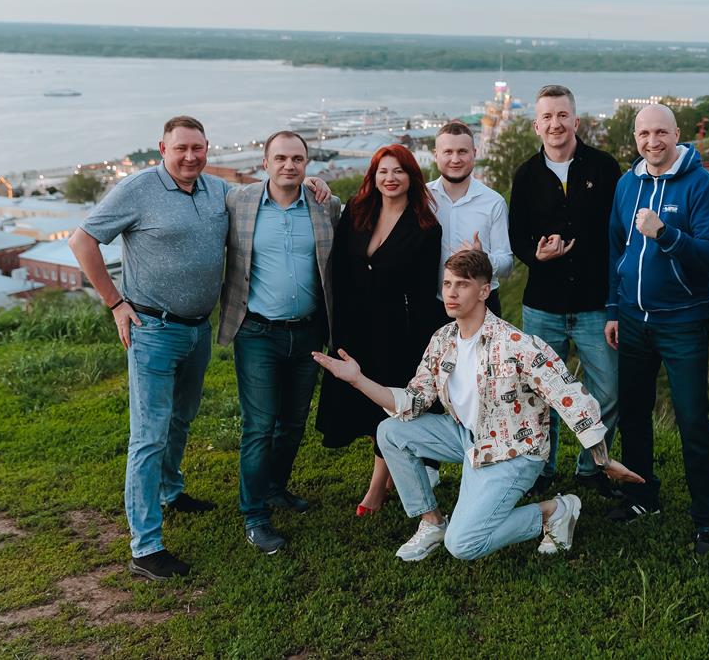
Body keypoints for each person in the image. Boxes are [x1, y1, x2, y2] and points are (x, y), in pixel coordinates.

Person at [312, 250, 643, 561]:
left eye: (462, 285)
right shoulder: (442, 340)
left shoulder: (516, 344)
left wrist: (601, 458)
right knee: (390, 431)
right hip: (468, 436)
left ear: (484, 291)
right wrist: (358, 379)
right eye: (447, 284)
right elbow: (413, 401)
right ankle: (432, 522)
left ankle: (555, 511)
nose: (452, 293)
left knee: (463, 544)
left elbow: (569, 395)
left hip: (514, 450)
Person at [70, 115, 227, 581]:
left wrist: (314, 183)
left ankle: (171, 490)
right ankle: (146, 547)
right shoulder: (138, 189)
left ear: (207, 148)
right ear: (162, 148)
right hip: (153, 331)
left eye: (198, 148)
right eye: (181, 148)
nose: (190, 156)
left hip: (198, 330)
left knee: (182, 418)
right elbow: (82, 241)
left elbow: (267, 195)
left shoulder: (217, 190)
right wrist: (115, 303)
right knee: (149, 435)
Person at [605, 104, 709, 553]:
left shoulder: (700, 185)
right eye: (644, 134)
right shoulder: (627, 184)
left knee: (692, 420)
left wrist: (665, 234)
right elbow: (616, 249)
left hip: (682, 322)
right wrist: (613, 309)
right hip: (632, 319)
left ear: (677, 134)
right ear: (635, 138)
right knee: (634, 413)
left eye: (661, 132)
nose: (652, 141)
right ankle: (642, 497)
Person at [216, 130, 341, 556]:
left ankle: (274, 488)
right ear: (265, 162)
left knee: (293, 422)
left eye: (298, 159)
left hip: (308, 332)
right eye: (281, 158)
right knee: (259, 425)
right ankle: (254, 516)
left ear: (307, 164)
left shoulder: (326, 206)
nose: (289, 165)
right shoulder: (238, 201)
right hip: (257, 333)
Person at [508, 84, 623, 499]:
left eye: (562, 115)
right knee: (541, 393)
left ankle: (591, 468)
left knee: (608, 392)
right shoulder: (525, 175)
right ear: (536, 125)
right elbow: (517, 238)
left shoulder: (605, 167)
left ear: (575, 120)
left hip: (595, 304)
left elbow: (619, 233)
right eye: (547, 117)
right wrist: (537, 255)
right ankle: (543, 468)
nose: (555, 123)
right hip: (544, 305)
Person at [315, 143, 442, 516]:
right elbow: (338, 269)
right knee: (362, 403)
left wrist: (424, 345)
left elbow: (423, 292)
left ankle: (376, 488)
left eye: (398, 171)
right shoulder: (356, 211)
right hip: (354, 325)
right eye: (383, 171)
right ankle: (390, 475)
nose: (390, 178)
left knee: (388, 406)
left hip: (397, 330)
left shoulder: (426, 227)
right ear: (373, 177)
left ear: (411, 177)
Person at [427, 120, 512, 316]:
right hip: (433, 305)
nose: (455, 159)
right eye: (448, 152)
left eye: (462, 152)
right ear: (436, 155)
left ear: (474, 153)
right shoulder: (422, 199)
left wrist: (482, 258)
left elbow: (507, 265)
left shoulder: (494, 202)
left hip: (482, 305)